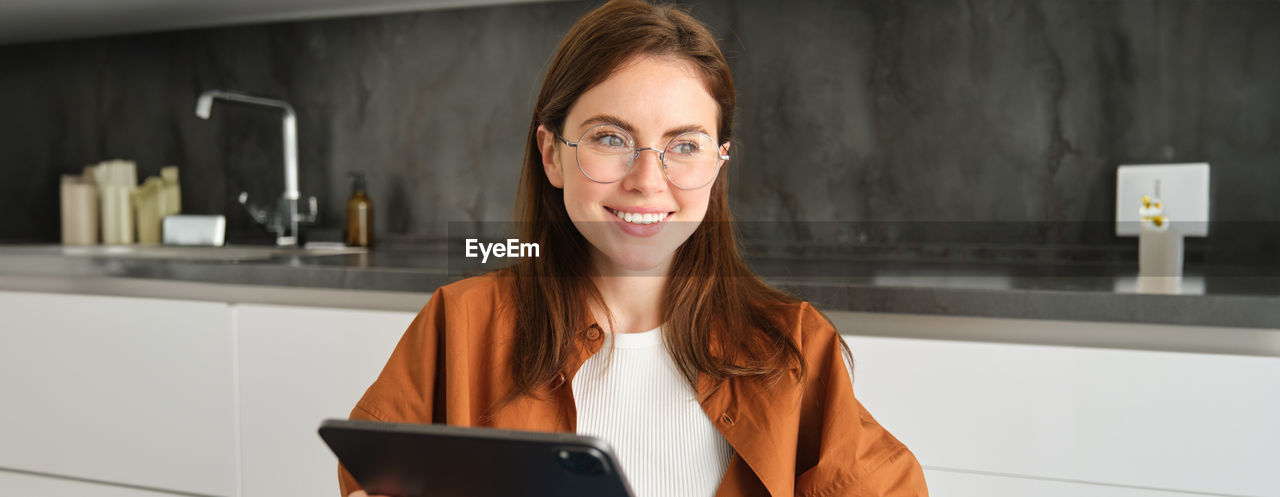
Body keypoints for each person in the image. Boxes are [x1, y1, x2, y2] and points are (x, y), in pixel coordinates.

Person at [342, 1, 928, 496]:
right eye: (610, 138)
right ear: (551, 155)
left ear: (719, 164)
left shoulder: (793, 347)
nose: (648, 181)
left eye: (685, 144)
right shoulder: (458, 324)